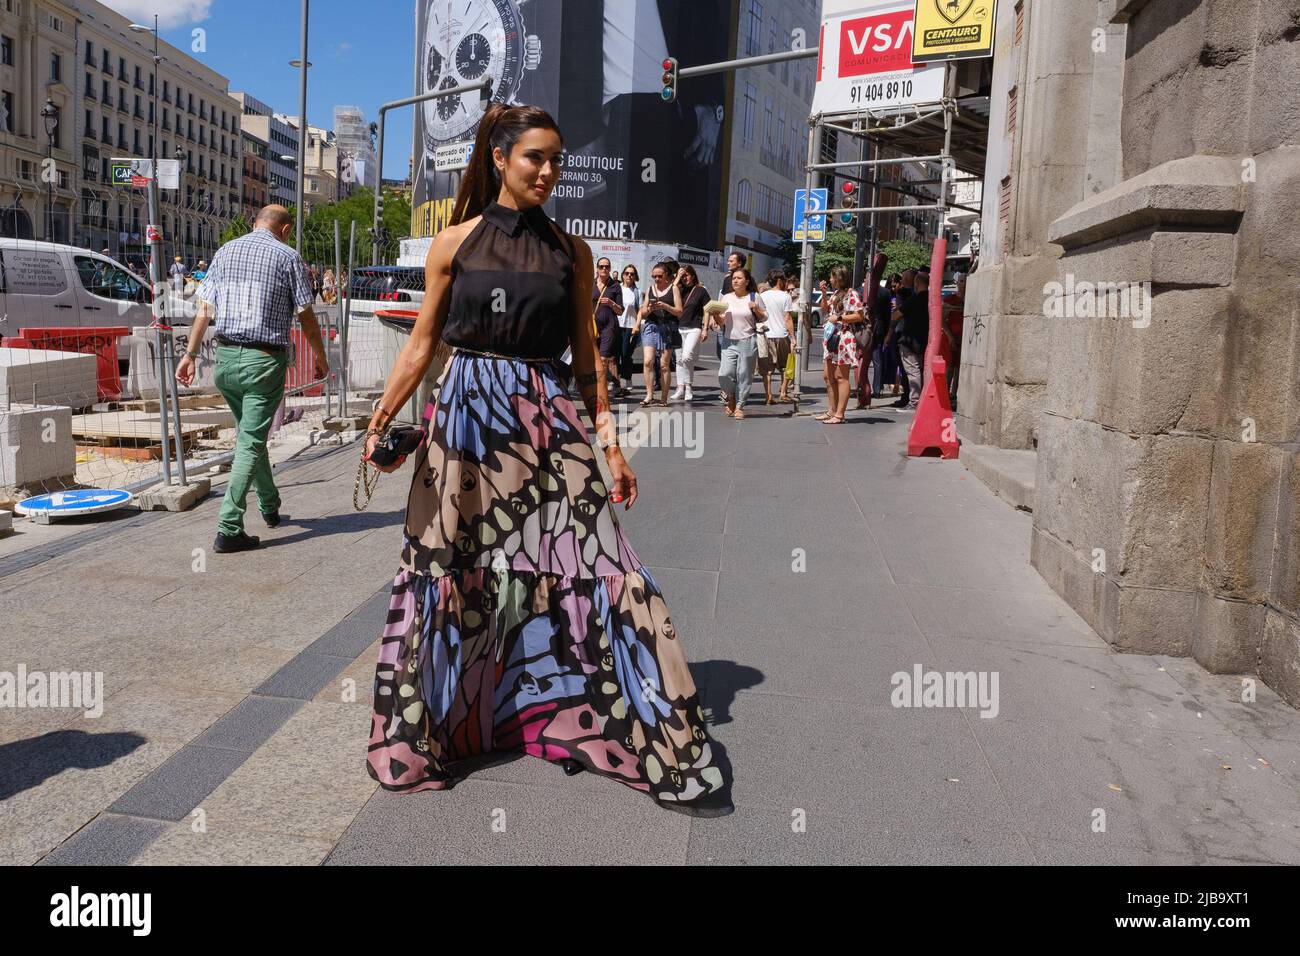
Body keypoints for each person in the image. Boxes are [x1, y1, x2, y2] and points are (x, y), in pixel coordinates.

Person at [359, 103, 730, 815]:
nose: (550, 171)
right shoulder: (455, 244)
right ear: (499, 159)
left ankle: (602, 721)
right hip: (468, 415)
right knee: (452, 564)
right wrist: (381, 419)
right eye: (536, 157)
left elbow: (589, 363)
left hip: (548, 416)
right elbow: (422, 345)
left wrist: (611, 445)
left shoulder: (571, 251)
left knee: (602, 564)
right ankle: (439, 727)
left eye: (557, 158)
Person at [175, 204, 329, 553]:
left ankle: (270, 505)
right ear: (286, 229)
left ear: (255, 223)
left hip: (226, 360)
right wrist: (320, 358)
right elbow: (306, 316)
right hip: (263, 361)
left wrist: (190, 355)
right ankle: (228, 526)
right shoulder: (288, 256)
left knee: (250, 435)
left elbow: (205, 309)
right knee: (250, 441)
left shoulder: (226, 250)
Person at [714, 267, 767, 420]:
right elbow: (722, 321)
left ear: (747, 281)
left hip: (747, 340)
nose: (735, 281)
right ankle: (730, 397)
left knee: (744, 375)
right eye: (733, 279)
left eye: (739, 278)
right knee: (724, 373)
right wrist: (715, 315)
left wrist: (756, 309)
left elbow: (764, 318)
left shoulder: (754, 296)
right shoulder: (726, 298)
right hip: (728, 341)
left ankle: (739, 405)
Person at [816, 264, 866, 425]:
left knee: (840, 376)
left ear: (839, 278)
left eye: (832, 276)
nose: (830, 279)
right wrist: (824, 294)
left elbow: (860, 315)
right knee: (828, 376)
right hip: (832, 337)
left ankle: (839, 414)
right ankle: (831, 410)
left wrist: (839, 319)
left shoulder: (852, 294)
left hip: (844, 337)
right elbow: (825, 310)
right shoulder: (836, 293)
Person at [634, 259, 681, 407]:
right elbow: (643, 310)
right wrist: (648, 310)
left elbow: (679, 311)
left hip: (667, 327)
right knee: (648, 361)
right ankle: (649, 395)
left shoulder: (673, 289)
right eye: (654, 276)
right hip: (651, 326)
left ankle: (664, 398)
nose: (657, 279)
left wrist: (666, 306)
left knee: (664, 365)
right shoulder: (650, 289)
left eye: (660, 276)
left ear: (666, 275)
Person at [889, 269, 930, 409]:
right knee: (920, 371)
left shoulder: (914, 299)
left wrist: (897, 310)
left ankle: (914, 401)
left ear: (917, 282)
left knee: (913, 372)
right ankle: (921, 399)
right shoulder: (931, 299)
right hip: (923, 340)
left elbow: (895, 316)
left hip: (909, 340)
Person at [757, 269, 796, 404]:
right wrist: (793, 338)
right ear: (779, 281)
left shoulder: (762, 296)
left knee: (767, 369)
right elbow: (787, 318)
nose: (786, 282)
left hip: (765, 335)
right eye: (784, 280)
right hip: (781, 335)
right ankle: (783, 392)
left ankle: (768, 396)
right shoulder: (785, 297)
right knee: (785, 366)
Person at [670, 265, 708, 403]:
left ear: (693, 275)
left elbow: (707, 309)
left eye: (687, 275)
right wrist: (677, 277)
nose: (685, 278)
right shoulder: (678, 289)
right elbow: (669, 293)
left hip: (694, 327)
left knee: (686, 357)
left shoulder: (700, 290)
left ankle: (688, 387)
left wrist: (705, 328)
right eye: (683, 275)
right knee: (679, 360)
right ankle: (680, 388)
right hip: (679, 327)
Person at [592, 256, 623, 397]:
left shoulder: (615, 286)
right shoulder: (591, 283)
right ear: (597, 268)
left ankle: (600, 390)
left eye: (607, 266)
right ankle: (596, 385)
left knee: (604, 359)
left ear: (610, 269)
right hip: (593, 325)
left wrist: (612, 303)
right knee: (593, 358)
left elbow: (620, 311)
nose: (604, 269)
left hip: (609, 326)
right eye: (601, 266)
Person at [940, 272, 966, 404]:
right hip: (951, 336)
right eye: (961, 281)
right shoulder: (949, 299)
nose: (964, 284)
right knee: (949, 366)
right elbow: (942, 320)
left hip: (964, 338)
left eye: (966, 281)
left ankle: (954, 394)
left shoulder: (969, 299)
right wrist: (950, 337)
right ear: (957, 283)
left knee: (959, 367)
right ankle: (946, 394)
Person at [615, 264, 641, 396]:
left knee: (626, 354)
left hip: (631, 326)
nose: (629, 276)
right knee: (615, 354)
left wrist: (638, 325)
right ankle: (616, 381)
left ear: (635, 276)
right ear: (623, 275)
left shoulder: (636, 291)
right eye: (627, 273)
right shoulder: (617, 288)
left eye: (632, 274)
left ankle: (627, 378)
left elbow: (640, 310)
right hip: (616, 326)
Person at [716, 250, 744, 363]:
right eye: (728, 261)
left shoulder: (746, 280)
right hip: (724, 320)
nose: (728, 263)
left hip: (738, 322)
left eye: (731, 261)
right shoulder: (727, 279)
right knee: (722, 350)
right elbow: (723, 298)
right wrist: (716, 316)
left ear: (739, 263)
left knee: (734, 350)